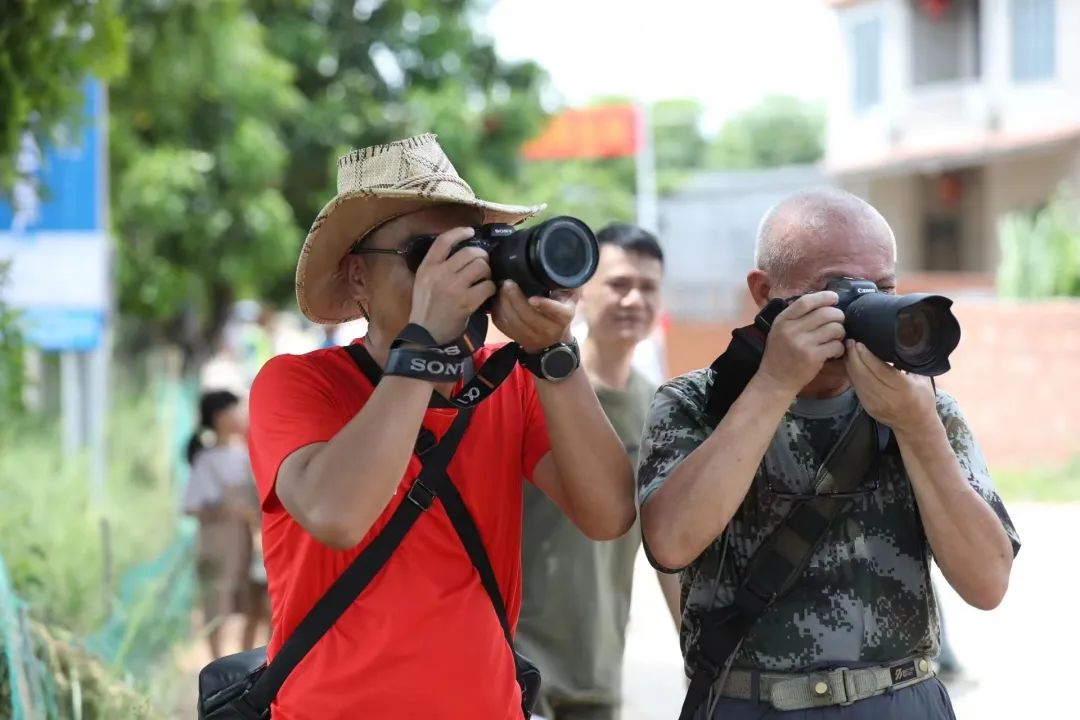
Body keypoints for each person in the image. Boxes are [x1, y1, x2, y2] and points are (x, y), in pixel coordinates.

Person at [246, 133, 636, 719]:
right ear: (357, 278)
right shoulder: (298, 385)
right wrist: (423, 344)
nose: (451, 272)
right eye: (423, 253)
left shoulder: (513, 384)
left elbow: (609, 514)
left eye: (469, 249)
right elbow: (338, 514)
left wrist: (555, 354)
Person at [636, 188, 1020, 719]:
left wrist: (918, 429)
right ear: (765, 292)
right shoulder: (698, 403)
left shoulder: (925, 408)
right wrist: (772, 384)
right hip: (752, 701)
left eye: (882, 288)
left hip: (900, 698)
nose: (864, 308)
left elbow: (987, 583)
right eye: (837, 289)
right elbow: (671, 542)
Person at [517, 222, 681, 720]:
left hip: (598, 672)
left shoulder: (660, 406)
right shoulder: (538, 386)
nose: (633, 299)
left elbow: (670, 545)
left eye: (647, 287)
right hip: (516, 662)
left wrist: (698, 653)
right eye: (618, 284)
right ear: (581, 290)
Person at [183, 390, 266, 659]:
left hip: (247, 547)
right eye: (235, 410)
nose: (242, 416)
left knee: (256, 608)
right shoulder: (207, 460)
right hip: (218, 546)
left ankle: (247, 665)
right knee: (217, 610)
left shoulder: (246, 453)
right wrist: (227, 510)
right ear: (219, 417)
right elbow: (191, 506)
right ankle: (217, 665)